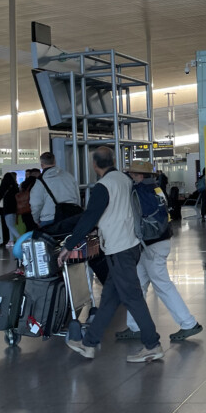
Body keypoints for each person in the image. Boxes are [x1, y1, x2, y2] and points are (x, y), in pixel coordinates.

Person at [58, 146, 163, 362]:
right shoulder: (124, 180)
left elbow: (89, 219)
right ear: (112, 161)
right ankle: (88, 344)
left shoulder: (103, 187)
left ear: (94, 165)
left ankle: (152, 345)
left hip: (119, 249)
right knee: (109, 298)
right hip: (131, 245)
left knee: (133, 298)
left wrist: (69, 244)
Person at [115, 160, 203, 343]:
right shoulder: (155, 188)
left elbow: (136, 217)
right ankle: (135, 326)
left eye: (132, 174)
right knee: (138, 285)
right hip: (159, 240)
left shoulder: (140, 191)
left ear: (139, 175)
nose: (130, 177)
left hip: (151, 245)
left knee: (162, 285)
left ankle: (189, 323)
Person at [30, 152, 80, 228]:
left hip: (49, 219)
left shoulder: (40, 181)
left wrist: (36, 220)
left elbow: (35, 204)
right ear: (54, 162)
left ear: (42, 165)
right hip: (70, 217)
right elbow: (77, 196)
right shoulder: (68, 176)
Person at [0, 172, 21, 248]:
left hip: (7, 208)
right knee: (11, 225)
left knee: (9, 225)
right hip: (14, 208)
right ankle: (11, 240)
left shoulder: (5, 187)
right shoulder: (15, 186)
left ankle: (20, 238)